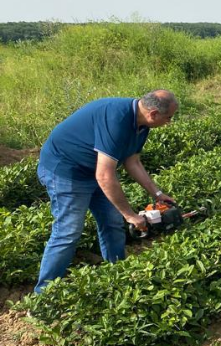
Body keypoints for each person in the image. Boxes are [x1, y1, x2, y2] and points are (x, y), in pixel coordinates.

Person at [34, 90, 178, 293]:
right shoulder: (116, 119)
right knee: (68, 232)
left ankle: (118, 276)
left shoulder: (142, 125)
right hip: (66, 171)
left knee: (112, 222)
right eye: (168, 117)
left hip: (95, 171)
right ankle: (43, 296)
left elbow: (132, 161)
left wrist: (157, 194)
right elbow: (105, 176)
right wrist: (129, 215)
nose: (169, 122)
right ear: (153, 113)